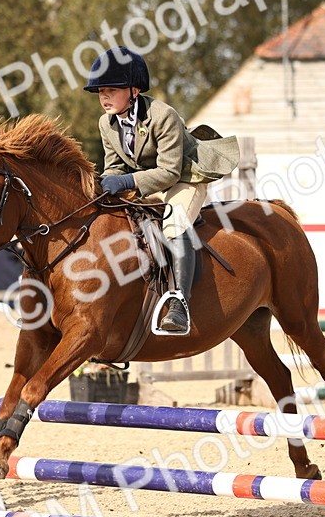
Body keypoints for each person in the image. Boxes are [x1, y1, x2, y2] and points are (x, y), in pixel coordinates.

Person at [84, 47, 237, 335]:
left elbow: (168, 172)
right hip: (148, 181)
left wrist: (127, 182)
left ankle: (180, 304)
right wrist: (104, 182)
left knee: (175, 224)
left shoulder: (162, 115)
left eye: (111, 90)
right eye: (100, 91)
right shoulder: (106, 123)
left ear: (134, 90)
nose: (104, 97)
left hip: (185, 178)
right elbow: (116, 166)